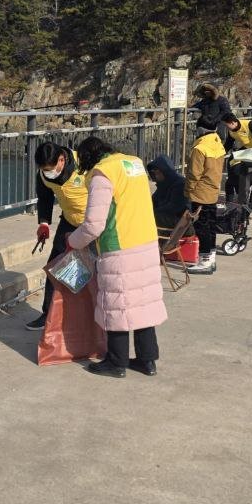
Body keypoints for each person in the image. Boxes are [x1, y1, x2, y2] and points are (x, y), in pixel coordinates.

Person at [65, 137, 166, 378]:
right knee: (142, 302)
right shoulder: (133, 164)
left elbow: (93, 225)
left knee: (117, 304)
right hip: (147, 240)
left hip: (120, 246)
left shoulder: (102, 174)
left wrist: (72, 242)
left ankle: (116, 362)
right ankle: (147, 360)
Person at [27, 140, 89, 331]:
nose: (48, 172)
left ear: (62, 159)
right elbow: (44, 198)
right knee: (56, 266)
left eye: (51, 168)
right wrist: (44, 222)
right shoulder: (44, 175)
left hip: (94, 222)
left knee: (95, 270)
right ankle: (48, 314)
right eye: (44, 169)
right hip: (69, 220)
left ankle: (91, 318)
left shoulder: (85, 163)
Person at [184, 124, 226, 274]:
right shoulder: (218, 144)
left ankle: (204, 261)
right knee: (211, 225)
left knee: (202, 227)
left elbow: (194, 173)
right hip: (213, 190)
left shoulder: (199, 148)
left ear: (201, 130)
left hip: (200, 192)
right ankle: (211, 258)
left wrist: (188, 190)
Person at [220, 113, 252, 211]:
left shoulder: (249, 125)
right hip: (247, 149)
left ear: (233, 122)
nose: (227, 127)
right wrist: (221, 153)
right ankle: (233, 181)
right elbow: (228, 144)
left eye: (227, 125)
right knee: (231, 159)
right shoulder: (231, 131)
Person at [145, 155, 188, 229]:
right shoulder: (164, 184)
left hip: (178, 220)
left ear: (165, 171)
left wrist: (153, 212)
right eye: (154, 173)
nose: (156, 176)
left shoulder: (179, 184)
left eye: (157, 173)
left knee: (146, 218)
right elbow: (153, 201)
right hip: (170, 217)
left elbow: (174, 207)